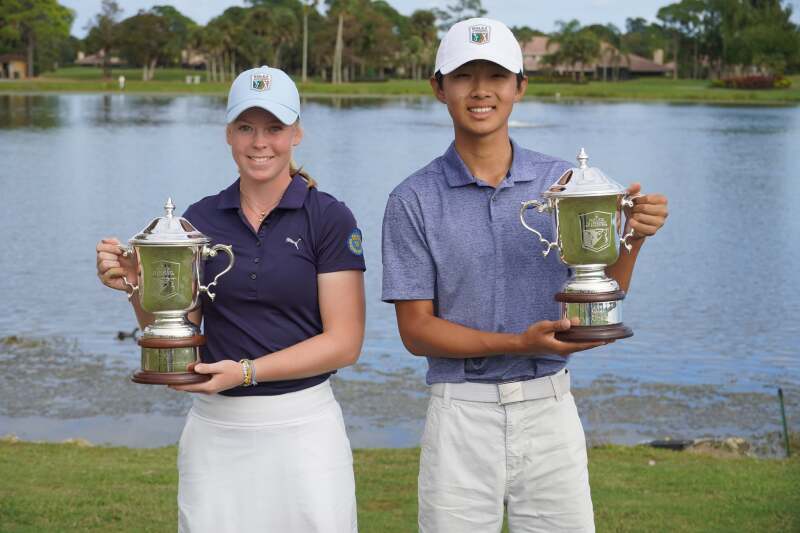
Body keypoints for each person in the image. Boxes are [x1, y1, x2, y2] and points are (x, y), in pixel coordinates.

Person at [381, 18, 668, 533]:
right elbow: (415, 331)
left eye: (496, 74)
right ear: (439, 87)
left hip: (549, 409)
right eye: (465, 75)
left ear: (519, 86)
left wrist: (633, 236)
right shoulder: (412, 199)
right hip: (459, 415)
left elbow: (597, 300)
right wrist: (518, 342)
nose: (481, 90)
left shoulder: (565, 182)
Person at [96, 66, 365, 533]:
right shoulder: (198, 220)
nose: (260, 142)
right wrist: (138, 286)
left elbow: (345, 343)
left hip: (305, 429)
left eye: (274, 128)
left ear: (297, 133)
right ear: (228, 134)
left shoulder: (330, 219)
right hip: (216, 431)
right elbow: (181, 323)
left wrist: (246, 371)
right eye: (246, 127)